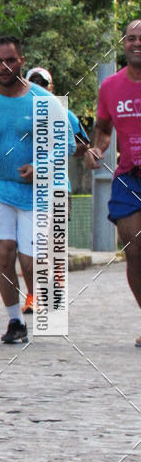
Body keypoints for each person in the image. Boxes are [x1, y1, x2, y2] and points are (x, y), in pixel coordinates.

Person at [0, 38, 74, 344]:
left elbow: (66, 145)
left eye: (10, 60)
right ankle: (15, 322)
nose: (4, 67)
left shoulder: (45, 103)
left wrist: (40, 167)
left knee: (29, 260)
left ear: (22, 60)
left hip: (38, 193)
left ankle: (47, 297)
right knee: (4, 255)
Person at [85, 19, 141, 346]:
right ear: (124, 44)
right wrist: (97, 148)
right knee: (134, 247)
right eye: (131, 38)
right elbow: (104, 130)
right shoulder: (110, 88)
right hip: (129, 177)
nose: (137, 43)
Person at [24, 66, 89, 310]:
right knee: (32, 245)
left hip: (59, 187)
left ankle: (57, 289)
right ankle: (35, 295)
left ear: (51, 88)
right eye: (34, 83)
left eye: (43, 84)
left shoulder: (64, 114)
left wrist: (59, 153)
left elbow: (83, 143)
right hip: (28, 188)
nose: (38, 88)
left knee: (54, 244)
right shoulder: (19, 115)